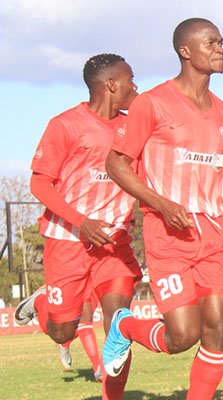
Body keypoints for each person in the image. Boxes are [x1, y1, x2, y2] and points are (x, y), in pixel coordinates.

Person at [102, 18, 223, 400]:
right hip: (167, 232)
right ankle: (124, 328)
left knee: (217, 327)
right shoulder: (151, 103)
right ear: (185, 51)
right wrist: (161, 203)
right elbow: (116, 163)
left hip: (215, 235)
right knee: (182, 335)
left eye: (220, 42)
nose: (220, 48)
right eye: (210, 43)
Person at [14, 53, 141, 399]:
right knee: (61, 331)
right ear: (111, 84)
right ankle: (43, 304)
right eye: (131, 79)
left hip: (114, 242)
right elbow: (40, 184)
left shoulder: (135, 127)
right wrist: (82, 223)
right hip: (67, 241)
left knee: (118, 323)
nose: (136, 86)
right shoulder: (65, 124)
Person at [57, 291, 103, 382]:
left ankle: (65, 342)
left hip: (96, 282)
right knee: (85, 322)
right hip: (78, 283)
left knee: (83, 323)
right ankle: (98, 368)